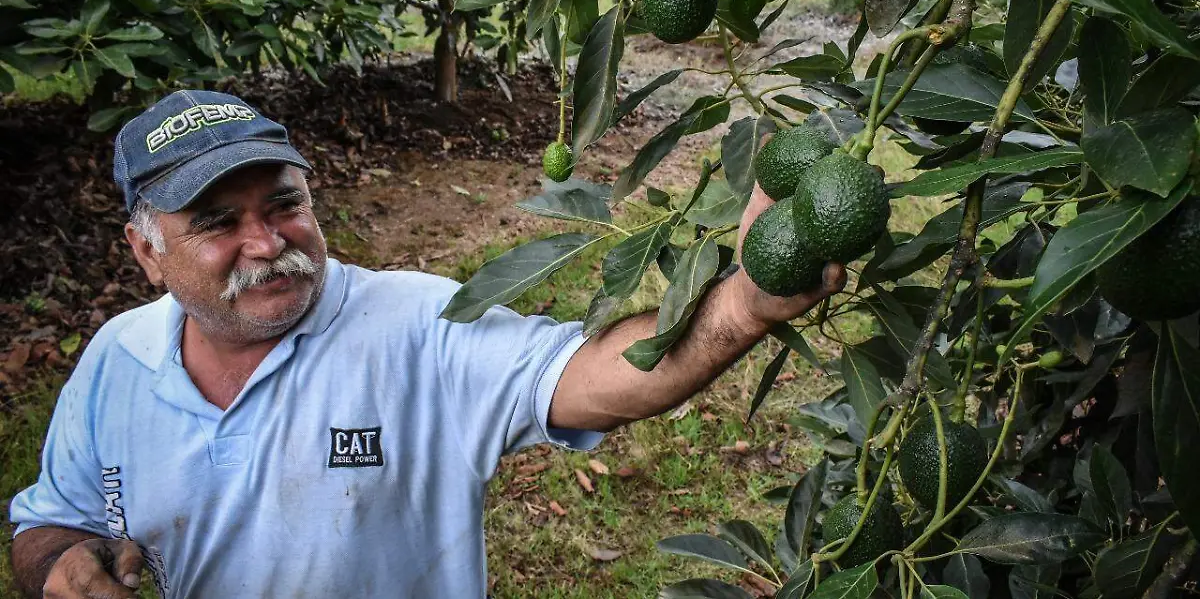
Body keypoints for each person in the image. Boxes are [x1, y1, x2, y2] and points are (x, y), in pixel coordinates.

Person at [8, 90, 844, 598]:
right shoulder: (116, 362)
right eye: (221, 223)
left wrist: (743, 303)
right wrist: (59, 566)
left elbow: (596, 379)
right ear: (146, 251)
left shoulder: (413, 325)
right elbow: (46, 523)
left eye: (286, 204)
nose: (269, 243)